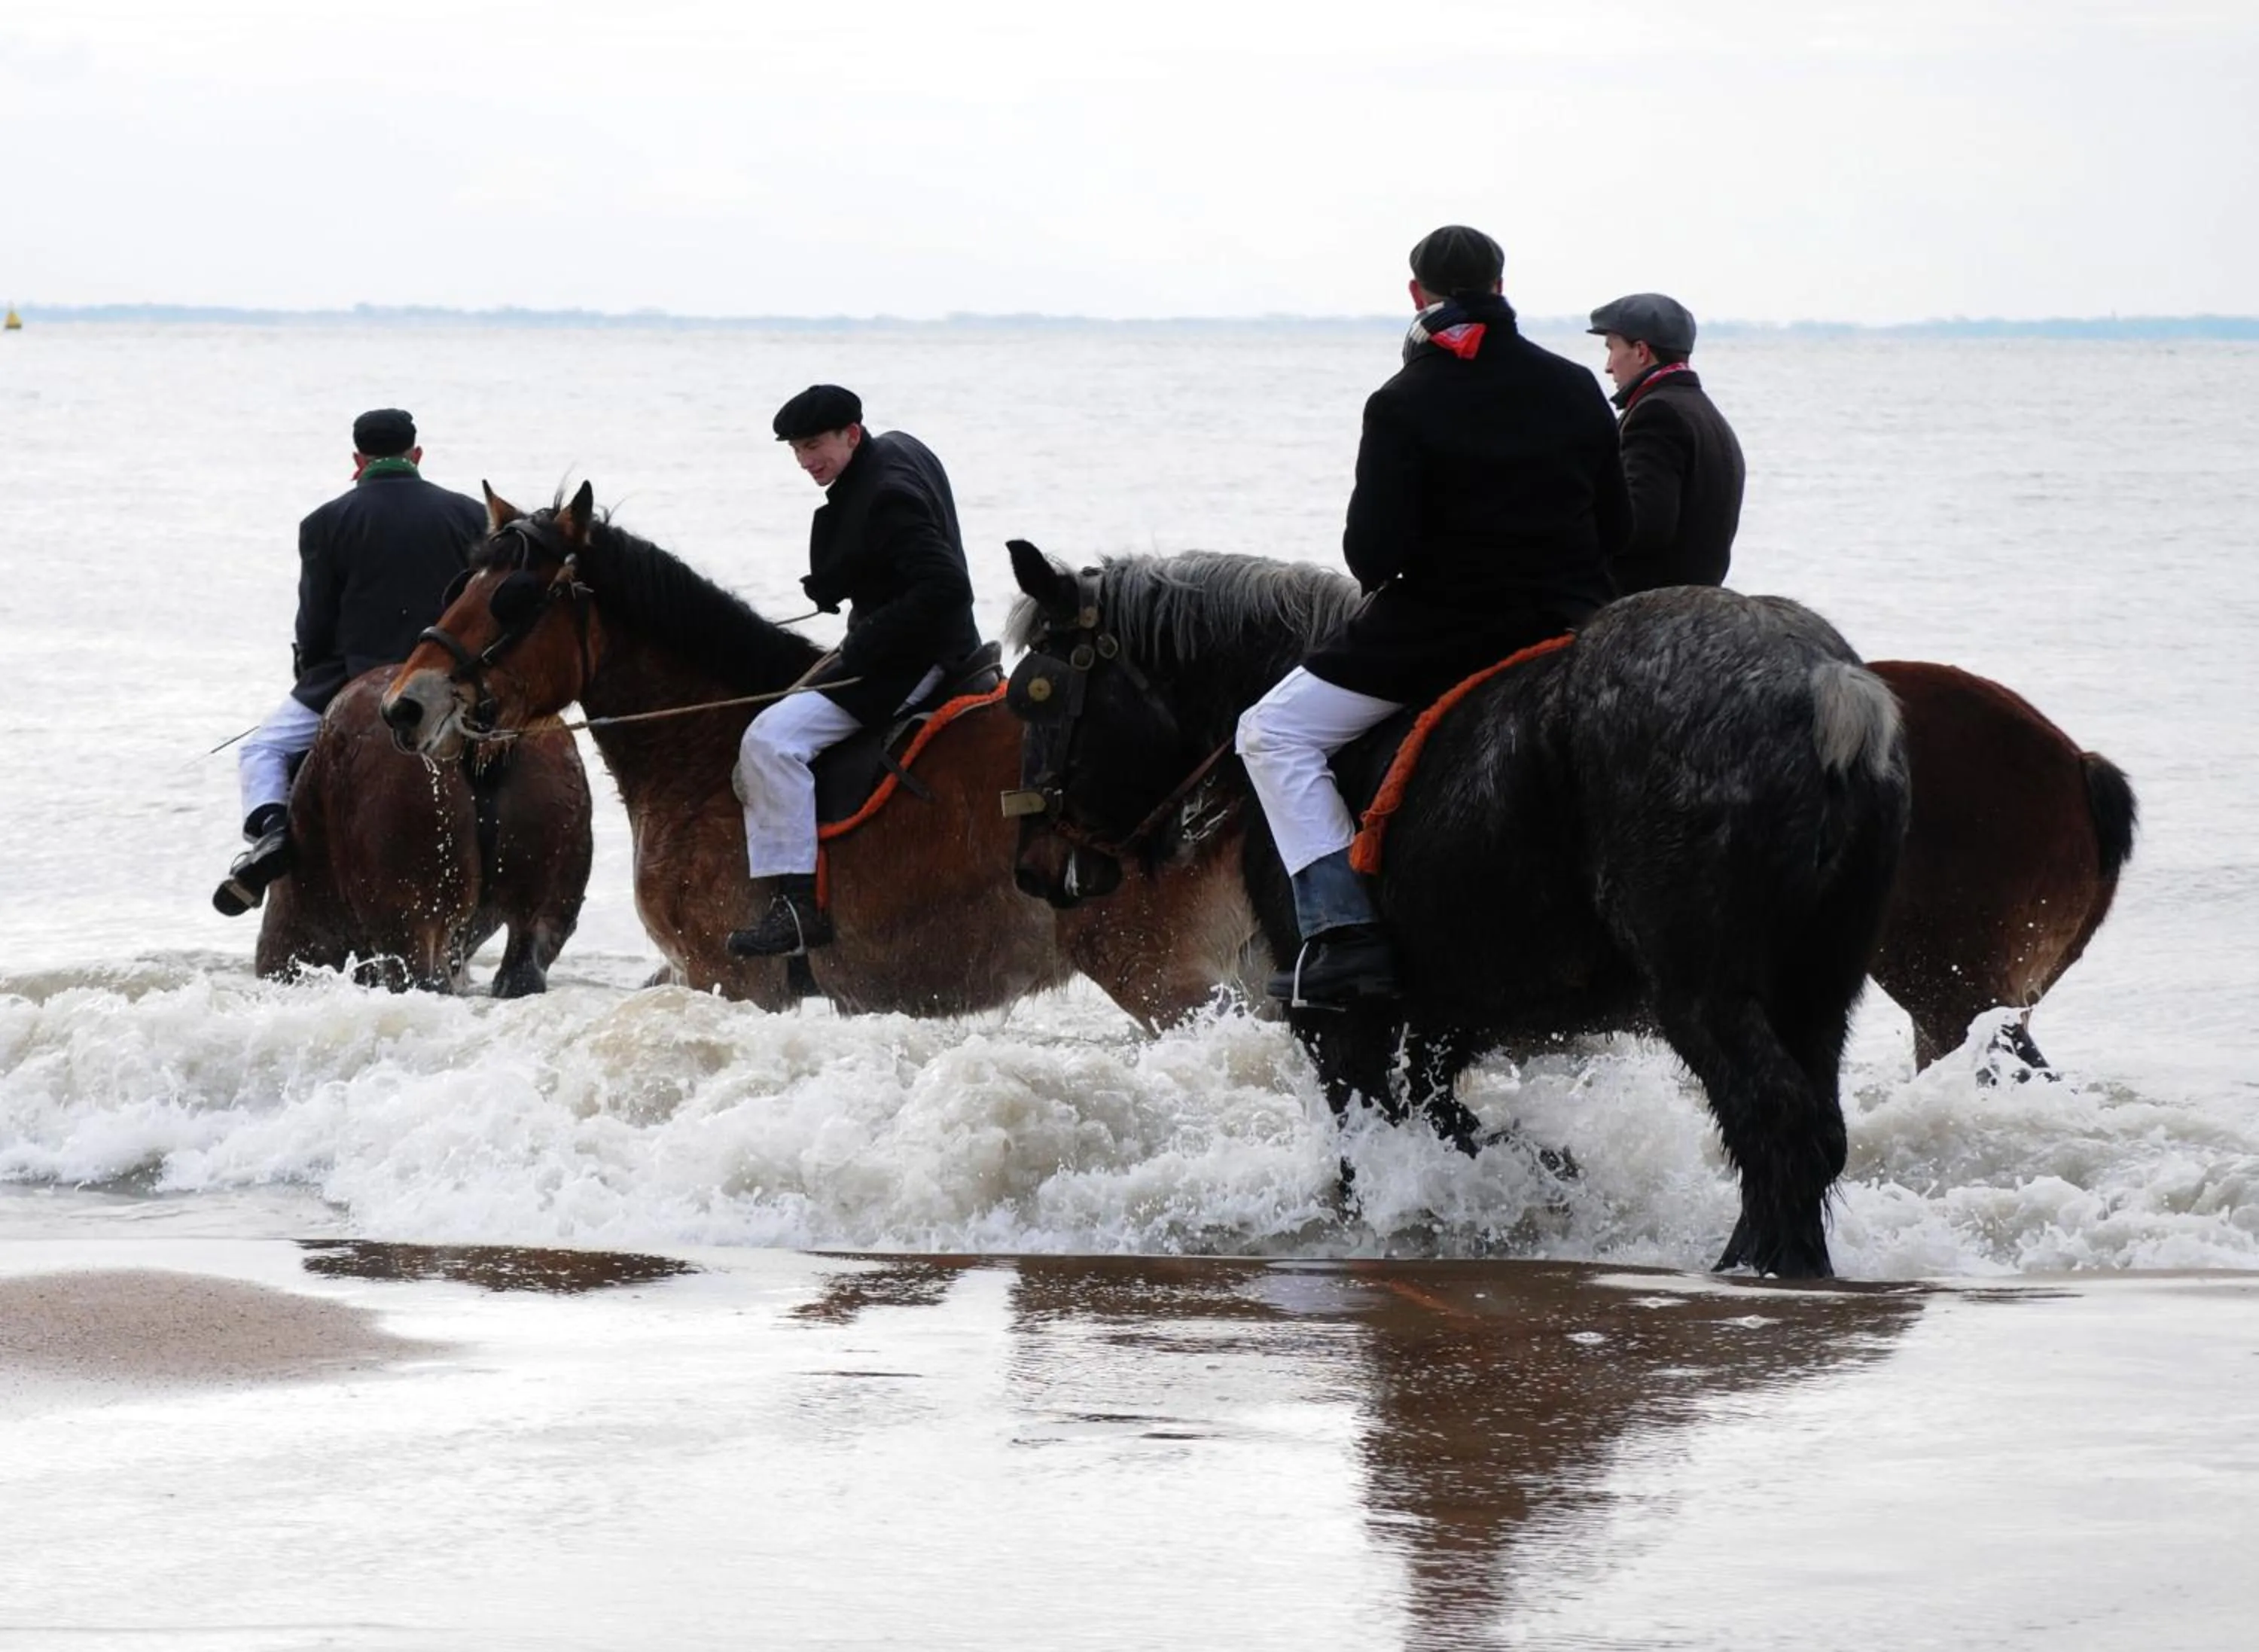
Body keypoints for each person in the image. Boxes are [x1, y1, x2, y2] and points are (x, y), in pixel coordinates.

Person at [1236, 226, 1628, 1007]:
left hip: (1445, 633)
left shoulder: (1404, 398)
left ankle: (1343, 935)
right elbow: (1617, 529)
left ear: (1417, 294)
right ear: (1500, 280)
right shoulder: (1575, 385)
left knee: (1270, 732)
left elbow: (1373, 556)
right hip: (1569, 630)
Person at [725, 385, 983, 958]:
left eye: (814, 445)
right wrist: (840, 583)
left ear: (852, 434)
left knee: (770, 743)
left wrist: (868, 639)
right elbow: (889, 551)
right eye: (795, 449)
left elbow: (946, 586)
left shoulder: (887, 492)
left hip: (917, 659)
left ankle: (797, 908)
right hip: (911, 644)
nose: (805, 461)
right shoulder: (899, 450)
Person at [213, 409, 486, 916]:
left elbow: (315, 621)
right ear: (417, 454)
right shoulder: (471, 515)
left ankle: (272, 837)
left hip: (354, 673)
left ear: (357, 459)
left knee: (263, 751)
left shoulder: (325, 523)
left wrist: (311, 674)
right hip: (455, 682)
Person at [1587, 293, 1745, 594]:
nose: (1608, 366)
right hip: (1696, 599)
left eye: (1612, 349)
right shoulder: (1704, 412)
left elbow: (1643, 528)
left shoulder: (1656, 414)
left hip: (1645, 607)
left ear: (1641, 351)